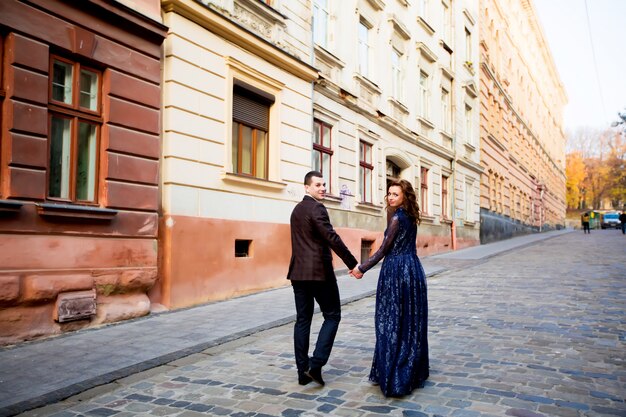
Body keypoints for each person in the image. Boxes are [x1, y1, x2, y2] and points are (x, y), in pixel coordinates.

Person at [350, 179, 429, 397]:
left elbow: (384, 249)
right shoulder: (410, 216)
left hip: (396, 272)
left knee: (391, 321)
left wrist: (362, 267)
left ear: (405, 196)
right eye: (389, 194)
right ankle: (411, 368)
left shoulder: (397, 218)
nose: (391, 197)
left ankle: (395, 374)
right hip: (412, 270)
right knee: (409, 322)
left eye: (395, 194)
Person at [287, 170, 360, 386]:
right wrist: (353, 263)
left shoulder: (296, 210)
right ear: (307, 187)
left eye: (324, 184)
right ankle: (315, 364)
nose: (323, 188)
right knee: (332, 315)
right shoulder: (316, 208)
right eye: (318, 185)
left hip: (298, 273)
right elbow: (331, 238)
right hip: (319, 274)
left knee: (303, 320)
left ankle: (302, 372)